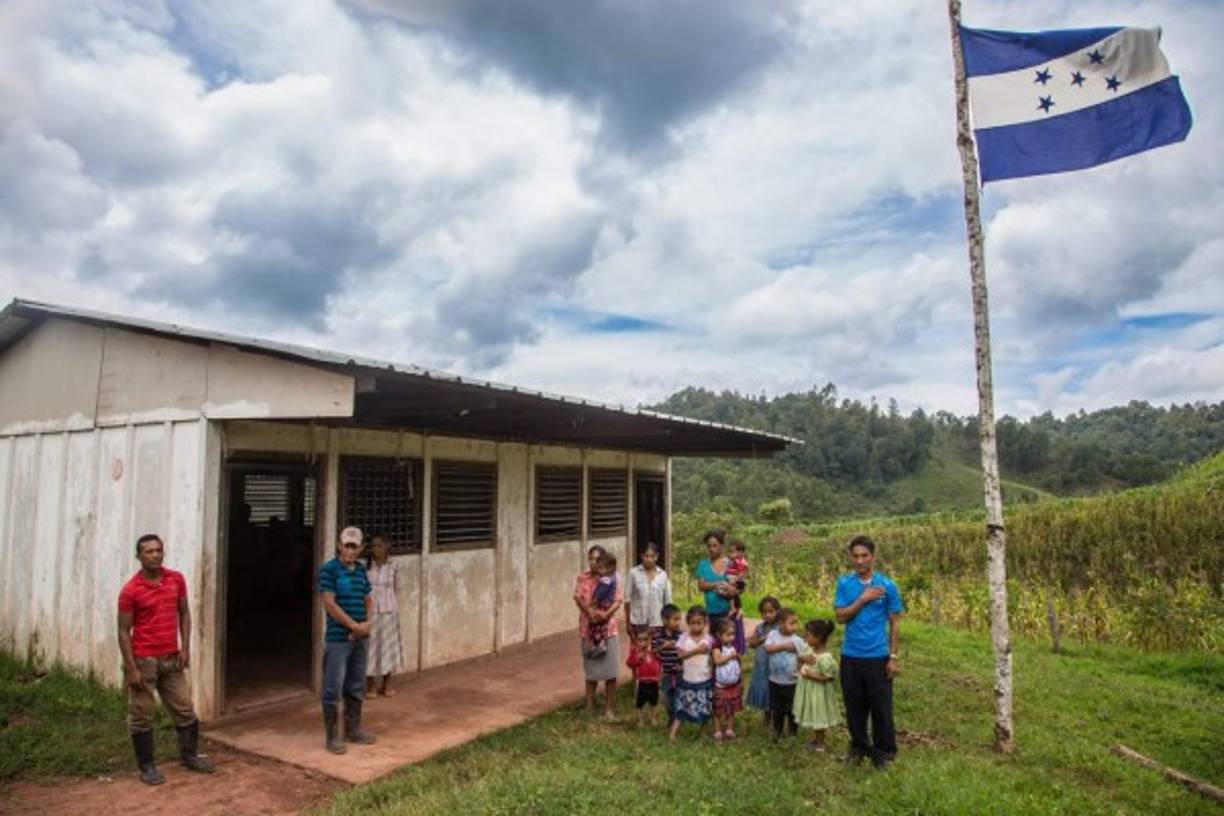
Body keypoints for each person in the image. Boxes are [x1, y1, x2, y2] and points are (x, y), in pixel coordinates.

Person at [117, 533, 214, 786]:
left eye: (159, 550)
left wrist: (185, 649)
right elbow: (123, 632)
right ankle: (147, 766)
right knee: (142, 714)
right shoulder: (130, 591)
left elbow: (184, 613)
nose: (155, 555)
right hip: (144, 660)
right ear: (138, 556)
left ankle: (189, 756)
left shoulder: (175, 580)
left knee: (184, 708)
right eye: (149, 552)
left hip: (171, 658)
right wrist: (131, 668)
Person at [834, 535, 904, 769]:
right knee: (854, 705)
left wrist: (893, 657)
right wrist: (862, 599)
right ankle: (859, 747)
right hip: (851, 655)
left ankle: (884, 752)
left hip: (877, 656)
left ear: (873, 556)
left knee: (881, 707)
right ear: (850, 557)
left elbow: (894, 623)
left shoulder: (887, 586)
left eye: (865, 555)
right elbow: (841, 616)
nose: (860, 560)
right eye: (855, 556)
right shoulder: (845, 584)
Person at [318, 526, 376, 754]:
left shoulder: (361, 570)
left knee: (355, 684)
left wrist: (368, 624)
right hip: (339, 638)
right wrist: (353, 626)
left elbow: (368, 599)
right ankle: (332, 736)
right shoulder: (329, 570)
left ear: (361, 548)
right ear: (339, 546)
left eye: (355, 546)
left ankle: (353, 730)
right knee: (333, 687)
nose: (350, 550)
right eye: (347, 545)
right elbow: (330, 605)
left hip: (360, 636)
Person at [573, 544, 623, 720]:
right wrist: (590, 613)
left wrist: (605, 614)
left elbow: (618, 600)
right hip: (588, 628)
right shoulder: (583, 578)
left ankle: (609, 708)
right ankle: (589, 704)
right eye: (591, 559)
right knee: (590, 667)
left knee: (611, 670)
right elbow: (578, 598)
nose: (593, 563)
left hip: (608, 628)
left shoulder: (612, 577)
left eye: (597, 559)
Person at [364, 533, 404, 697]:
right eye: (373, 546)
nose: (376, 549)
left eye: (379, 545)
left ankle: (387, 684)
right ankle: (371, 686)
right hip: (370, 613)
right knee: (371, 649)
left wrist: (390, 605)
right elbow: (363, 590)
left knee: (388, 648)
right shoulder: (365, 566)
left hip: (389, 612)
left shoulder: (394, 565)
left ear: (387, 546)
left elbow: (397, 588)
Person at [693, 530, 745, 654]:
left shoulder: (730, 563)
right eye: (709, 546)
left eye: (715, 545)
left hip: (729, 612)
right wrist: (718, 583)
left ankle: (734, 672)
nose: (711, 549)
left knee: (732, 647)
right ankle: (716, 672)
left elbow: (740, 586)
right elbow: (701, 585)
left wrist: (733, 591)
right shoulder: (703, 564)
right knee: (716, 646)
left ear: (721, 546)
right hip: (712, 612)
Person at [794, 619, 840, 752]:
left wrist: (810, 675)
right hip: (810, 691)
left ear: (818, 638)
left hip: (818, 693)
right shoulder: (810, 649)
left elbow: (828, 677)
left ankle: (820, 744)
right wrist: (802, 660)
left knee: (819, 716)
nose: (804, 637)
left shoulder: (825, 658)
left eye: (808, 635)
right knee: (814, 715)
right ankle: (816, 740)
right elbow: (800, 660)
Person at [669, 606, 714, 742]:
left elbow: (711, 657)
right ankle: (672, 734)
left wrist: (712, 668)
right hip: (688, 679)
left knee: (705, 709)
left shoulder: (709, 639)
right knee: (682, 708)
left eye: (699, 623)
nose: (696, 626)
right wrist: (696, 651)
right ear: (688, 623)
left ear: (705, 623)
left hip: (704, 679)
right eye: (693, 623)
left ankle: (702, 734)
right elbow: (680, 655)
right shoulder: (683, 637)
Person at [764, 607, 805, 741]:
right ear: (781, 623)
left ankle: (792, 731)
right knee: (777, 708)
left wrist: (801, 671)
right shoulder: (773, 635)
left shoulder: (798, 640)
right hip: (775, 680)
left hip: (792, 681)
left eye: (796, 623)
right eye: (791, 623)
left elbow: (802, 657)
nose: (795, 626)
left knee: (792, 708)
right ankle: (777, 730)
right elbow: (767, 648)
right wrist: (782, 647)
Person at [745, 596, 781, 726]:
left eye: (771, 611)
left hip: (775, 665)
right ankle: (767, 716)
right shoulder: (760, 628)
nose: (768, 615)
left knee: (775, 689)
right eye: (764, 612)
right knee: (765, 688)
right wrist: (761, 639)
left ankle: (777, 718)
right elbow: (752, 644)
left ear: (777, 611)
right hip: (762, 665)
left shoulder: (780, 628)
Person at [625, 543, 672, 634]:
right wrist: (628, 623)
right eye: (646, 556)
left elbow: (668, 601)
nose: (649, 559)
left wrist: (668, 622)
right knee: (638, 648)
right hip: (638, 622)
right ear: (641, 556)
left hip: (658, 623)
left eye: (652, 556)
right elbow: (627, 599)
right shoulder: (633, 573)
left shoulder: (663, 575)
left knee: (657, 647)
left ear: (657, 557)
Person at [651, 603, 684, 726]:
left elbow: (685, 652)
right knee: (665, 696)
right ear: (665, 620)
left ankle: (676, 719)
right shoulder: (657, 635)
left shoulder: (681, 635)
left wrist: (682, 665)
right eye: (675, 619)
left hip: (678, 671)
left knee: (678, 694)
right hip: (664, 672)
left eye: (679, 619)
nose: (678, 622)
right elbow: (653, 652)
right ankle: (672, 714)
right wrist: (662, 647)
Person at [711, 617, 743, 741]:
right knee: (718, 709)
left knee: (731, 708)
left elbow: (738, 662)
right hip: (721, 685)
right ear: (719, 635)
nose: (731, 637)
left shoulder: (733, 646)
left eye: (733, 634)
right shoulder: (716, 647)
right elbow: (717, 661)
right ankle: (718, 730)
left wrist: (740, 677)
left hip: (733, 684)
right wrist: (730, 656)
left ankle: (729, 729)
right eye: (728, 635)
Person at [583, 551, 619, 658]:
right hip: (606, 604)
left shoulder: (607, 578)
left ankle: (598, 643)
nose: (599, 570)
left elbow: (601, 592)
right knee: (599, 624)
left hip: (604, 604)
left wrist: (594, 602)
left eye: (601, 568)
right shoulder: (613, 577)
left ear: (610, 567)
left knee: (595, 624)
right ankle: (597, 644)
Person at [626, 626, 662, 727]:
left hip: (654, 680)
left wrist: (660, 674)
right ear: (636, 640)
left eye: (646, 640)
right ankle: (640, 720)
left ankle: (653, 718)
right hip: (641, 681)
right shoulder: (635, 652)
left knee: (654, 701)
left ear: (650, 639)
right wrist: (638, 659)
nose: (643, 643)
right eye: (640, 640)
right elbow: (629, 663)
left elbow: (660, 662)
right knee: (640, 702)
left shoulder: (654, 651)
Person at [725, 539, 750, 620]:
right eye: (729, 551)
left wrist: (735, 580)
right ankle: (738, 609)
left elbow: (742, 572)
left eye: (732, 552)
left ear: (740, 553)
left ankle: (733, 608)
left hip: (738, 581)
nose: (730, 554)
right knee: (734, 595)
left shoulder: (741, 561)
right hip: (732, 580)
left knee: (731, 593)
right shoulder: (733, 560)